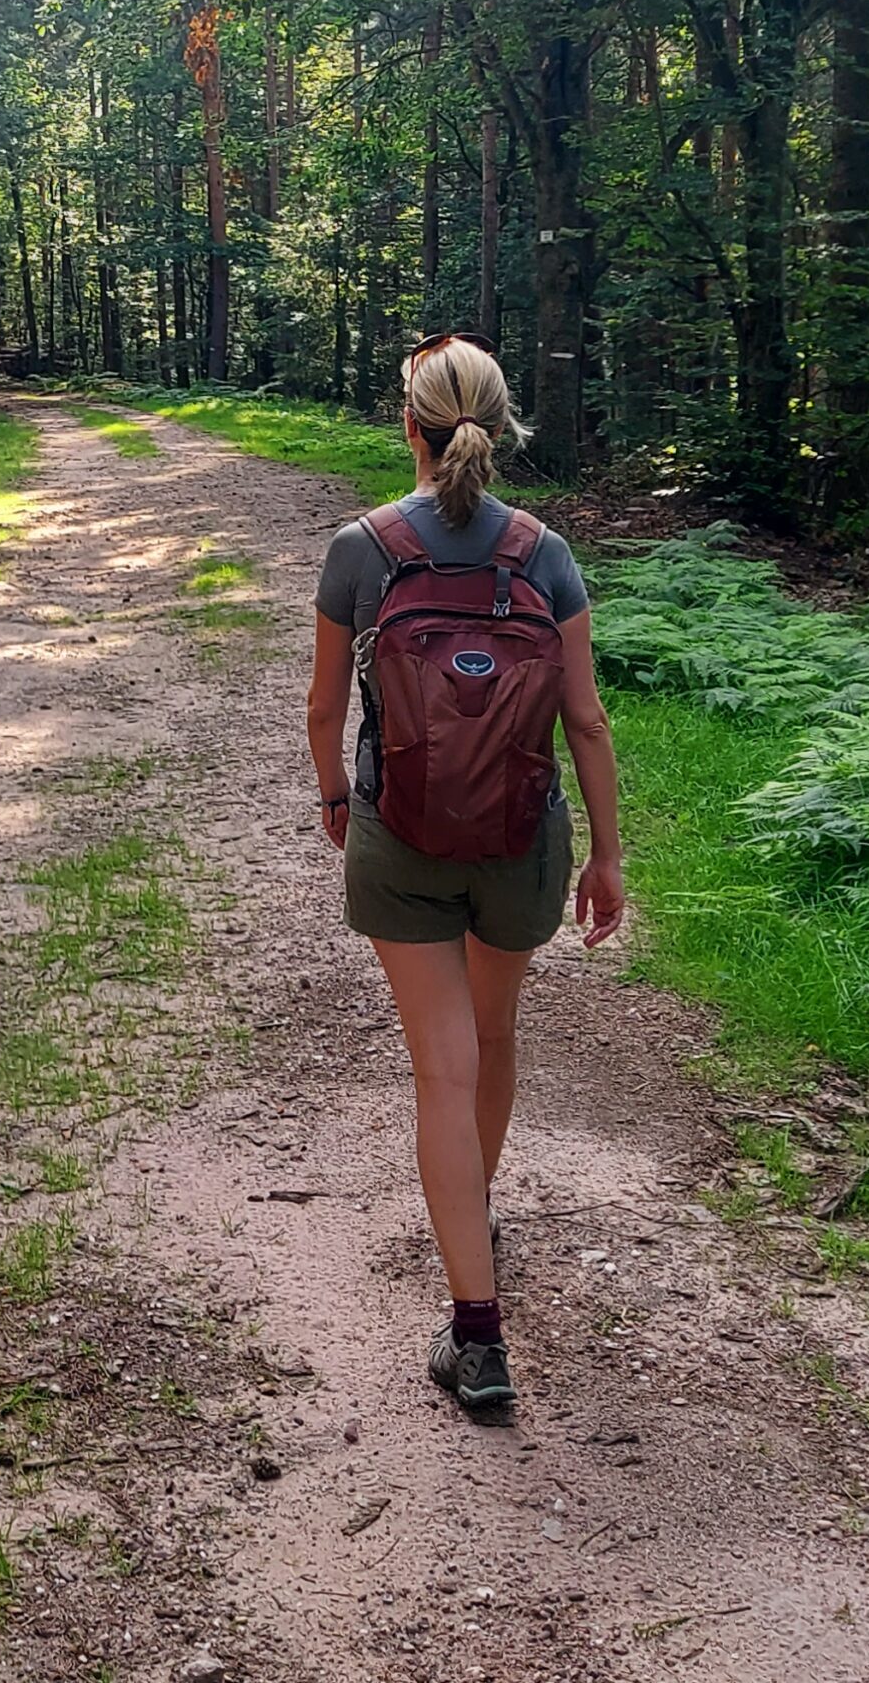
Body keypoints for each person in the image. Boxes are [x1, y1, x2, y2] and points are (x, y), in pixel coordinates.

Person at [306, 334, 625, 1414]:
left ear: (409, 425)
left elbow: (319, 710)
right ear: (501, 422)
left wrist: (337, 803)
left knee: (438, 1068)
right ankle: (473, 1215)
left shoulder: (362, 549)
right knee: (491, 1041)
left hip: (401, 835)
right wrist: (610, 855)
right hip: (518, 838)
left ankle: (476, 1339)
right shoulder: (543, 552)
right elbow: (583, 718)